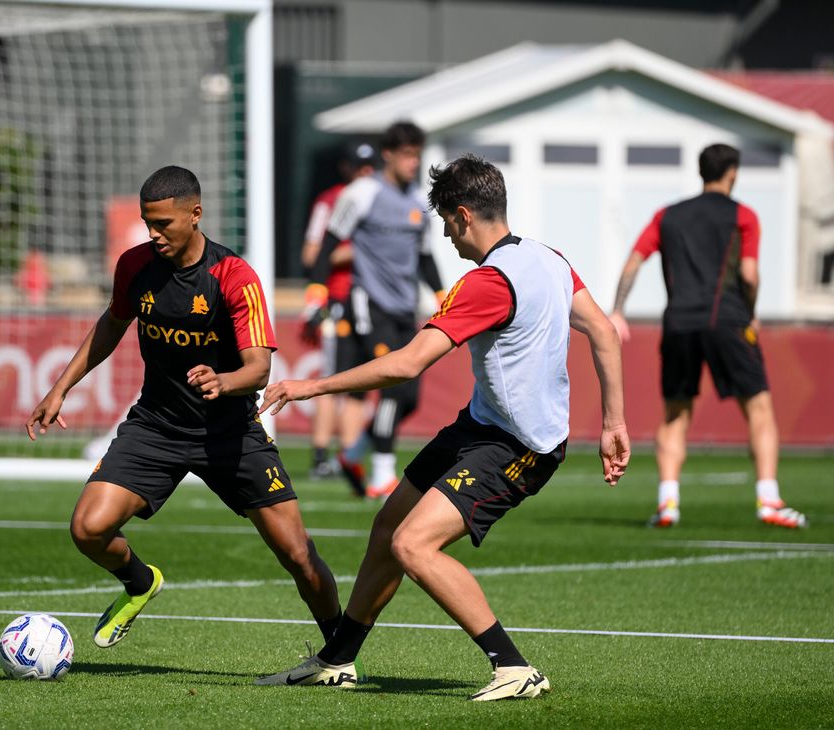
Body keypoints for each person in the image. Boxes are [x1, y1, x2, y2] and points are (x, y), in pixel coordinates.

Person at [254, 155, 630, 700]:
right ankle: (338, 659)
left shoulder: (486, 283)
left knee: (412, 544)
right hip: (480, 425)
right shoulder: (550, 259)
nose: (448, 237)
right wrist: (614, 422)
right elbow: (604, 331)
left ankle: (514, 668)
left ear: (463, 215)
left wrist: (310, 387)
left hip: (519, 446)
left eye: (447, 224)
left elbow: (408, 364)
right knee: (388, 527)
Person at [27, 165, 343, 650]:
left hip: (231, 434)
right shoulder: (135, 266)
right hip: (156, 426)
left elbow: (259, 369)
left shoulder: (234, 276)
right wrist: (60, 388)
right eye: (147, 223)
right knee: (88, 529)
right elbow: (112, 323)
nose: (153, 234)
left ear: (195, 214)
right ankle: (139, 583)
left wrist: (225, 381)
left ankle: (339, 652)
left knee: (299, 555)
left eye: (163, 224)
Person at [609, 143, 806, 529]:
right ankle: (769, 500)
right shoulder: (743, 215)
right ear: (732, 173)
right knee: (759, 409)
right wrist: (750, 313)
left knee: (675, 414)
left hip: (679, 325)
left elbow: (634, 261)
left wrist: (618, 309)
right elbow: (749, 274)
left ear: (701, 172)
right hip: (728, 321)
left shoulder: (666, 216)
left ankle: (668, 503)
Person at [304, 121, 446, 499]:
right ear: (389, 155)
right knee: (394, 384)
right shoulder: (363, 193)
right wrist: (316, 293)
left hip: (405, 309)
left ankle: (353, 454)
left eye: (417, 155)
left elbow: (425, 257)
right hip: (368, 304)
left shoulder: (419, 202)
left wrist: (441, 295)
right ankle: (383, 474)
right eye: (407, 155)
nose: (413, 162)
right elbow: (328, 244)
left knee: (410, 397)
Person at [300, 142, 377, 487]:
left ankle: (349, 456)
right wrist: (360, 251)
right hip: (338, 301)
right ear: (346, 168)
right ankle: (320, 457)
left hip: (371, 304)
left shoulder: (383, 198)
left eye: (370, 165)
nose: (365, 172)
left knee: (361, 383)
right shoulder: (330, 201)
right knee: (330, 380)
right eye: (358, 166)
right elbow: (311, 255)